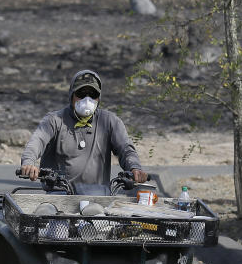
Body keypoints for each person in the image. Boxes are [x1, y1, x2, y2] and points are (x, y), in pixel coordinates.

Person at [20, 69, 148, 187]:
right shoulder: (54, 120)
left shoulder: (110, 121)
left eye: (92, 94)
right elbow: (37, 142)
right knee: (45, 210)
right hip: (58, 194)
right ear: (72, 95)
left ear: (99, 98)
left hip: (96, 196)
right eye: (81, 93)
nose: (87, 99)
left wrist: (134, 168)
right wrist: (28, 163)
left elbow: (125, 148)